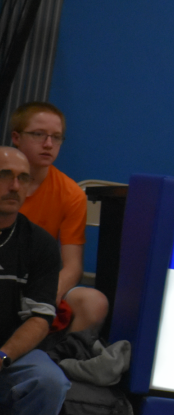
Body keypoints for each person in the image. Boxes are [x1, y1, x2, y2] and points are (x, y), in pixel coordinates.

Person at [0, 147, 69, 415]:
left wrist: (3, 356)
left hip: (9, 354)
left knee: (49, 381)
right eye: (4, 175)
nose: (14, 185)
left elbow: (40, 319)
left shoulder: (39, 244)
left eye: (22, 178)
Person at [9, 102, 109, 336]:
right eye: (38, 135)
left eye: (56, 137)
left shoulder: (70, 192)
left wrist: (42, 298)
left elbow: (72, 267)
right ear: (16, 137)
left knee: (94, 302)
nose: (48, 144)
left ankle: (54, 359)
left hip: (38, 282)